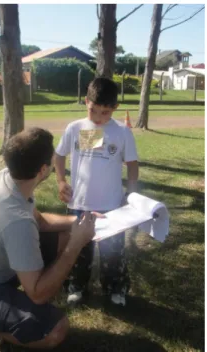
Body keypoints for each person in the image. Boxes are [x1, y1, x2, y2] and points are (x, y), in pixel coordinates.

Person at [0, 127, 96, 352]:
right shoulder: (17, 220)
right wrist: (76, 245)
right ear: (43, 170)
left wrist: (80, 222)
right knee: (57, 330)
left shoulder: (7, 178)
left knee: (64, 235)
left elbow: (41, 222)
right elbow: (37, 293)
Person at [55, 77, 139, 307]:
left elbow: (132, 164)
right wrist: (61, 181)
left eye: (106, 113)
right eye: (94, 111)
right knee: (79, 249)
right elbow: (60, 155)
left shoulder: (122, 132)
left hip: (112, 205)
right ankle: (76, 286)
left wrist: (130, 195)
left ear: (115, 108)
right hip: (79, 203)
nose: (100, 118)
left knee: (113, 250)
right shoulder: (75, 128)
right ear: (86, 102)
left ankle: (116, 288)